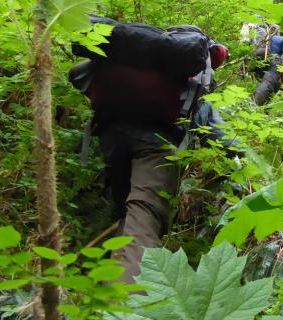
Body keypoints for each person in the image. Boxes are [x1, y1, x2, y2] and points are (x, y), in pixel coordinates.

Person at [70, 23, 235, 283]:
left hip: (111, 134)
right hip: (157, 144)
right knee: (144, 213)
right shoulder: (190, 69)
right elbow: (207, 118)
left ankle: (110, 283)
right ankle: (129, 303)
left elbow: (78, 76)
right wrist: (238, 156)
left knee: (128, 211)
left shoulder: (136, 53)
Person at [252, 24, 283, 105]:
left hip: (257, 61)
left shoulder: (260, 39)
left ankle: (270, 105)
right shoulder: (281, 39)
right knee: (268, 82)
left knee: (275, 83)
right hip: (273, 61)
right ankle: (253, 104)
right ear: (277, 32)